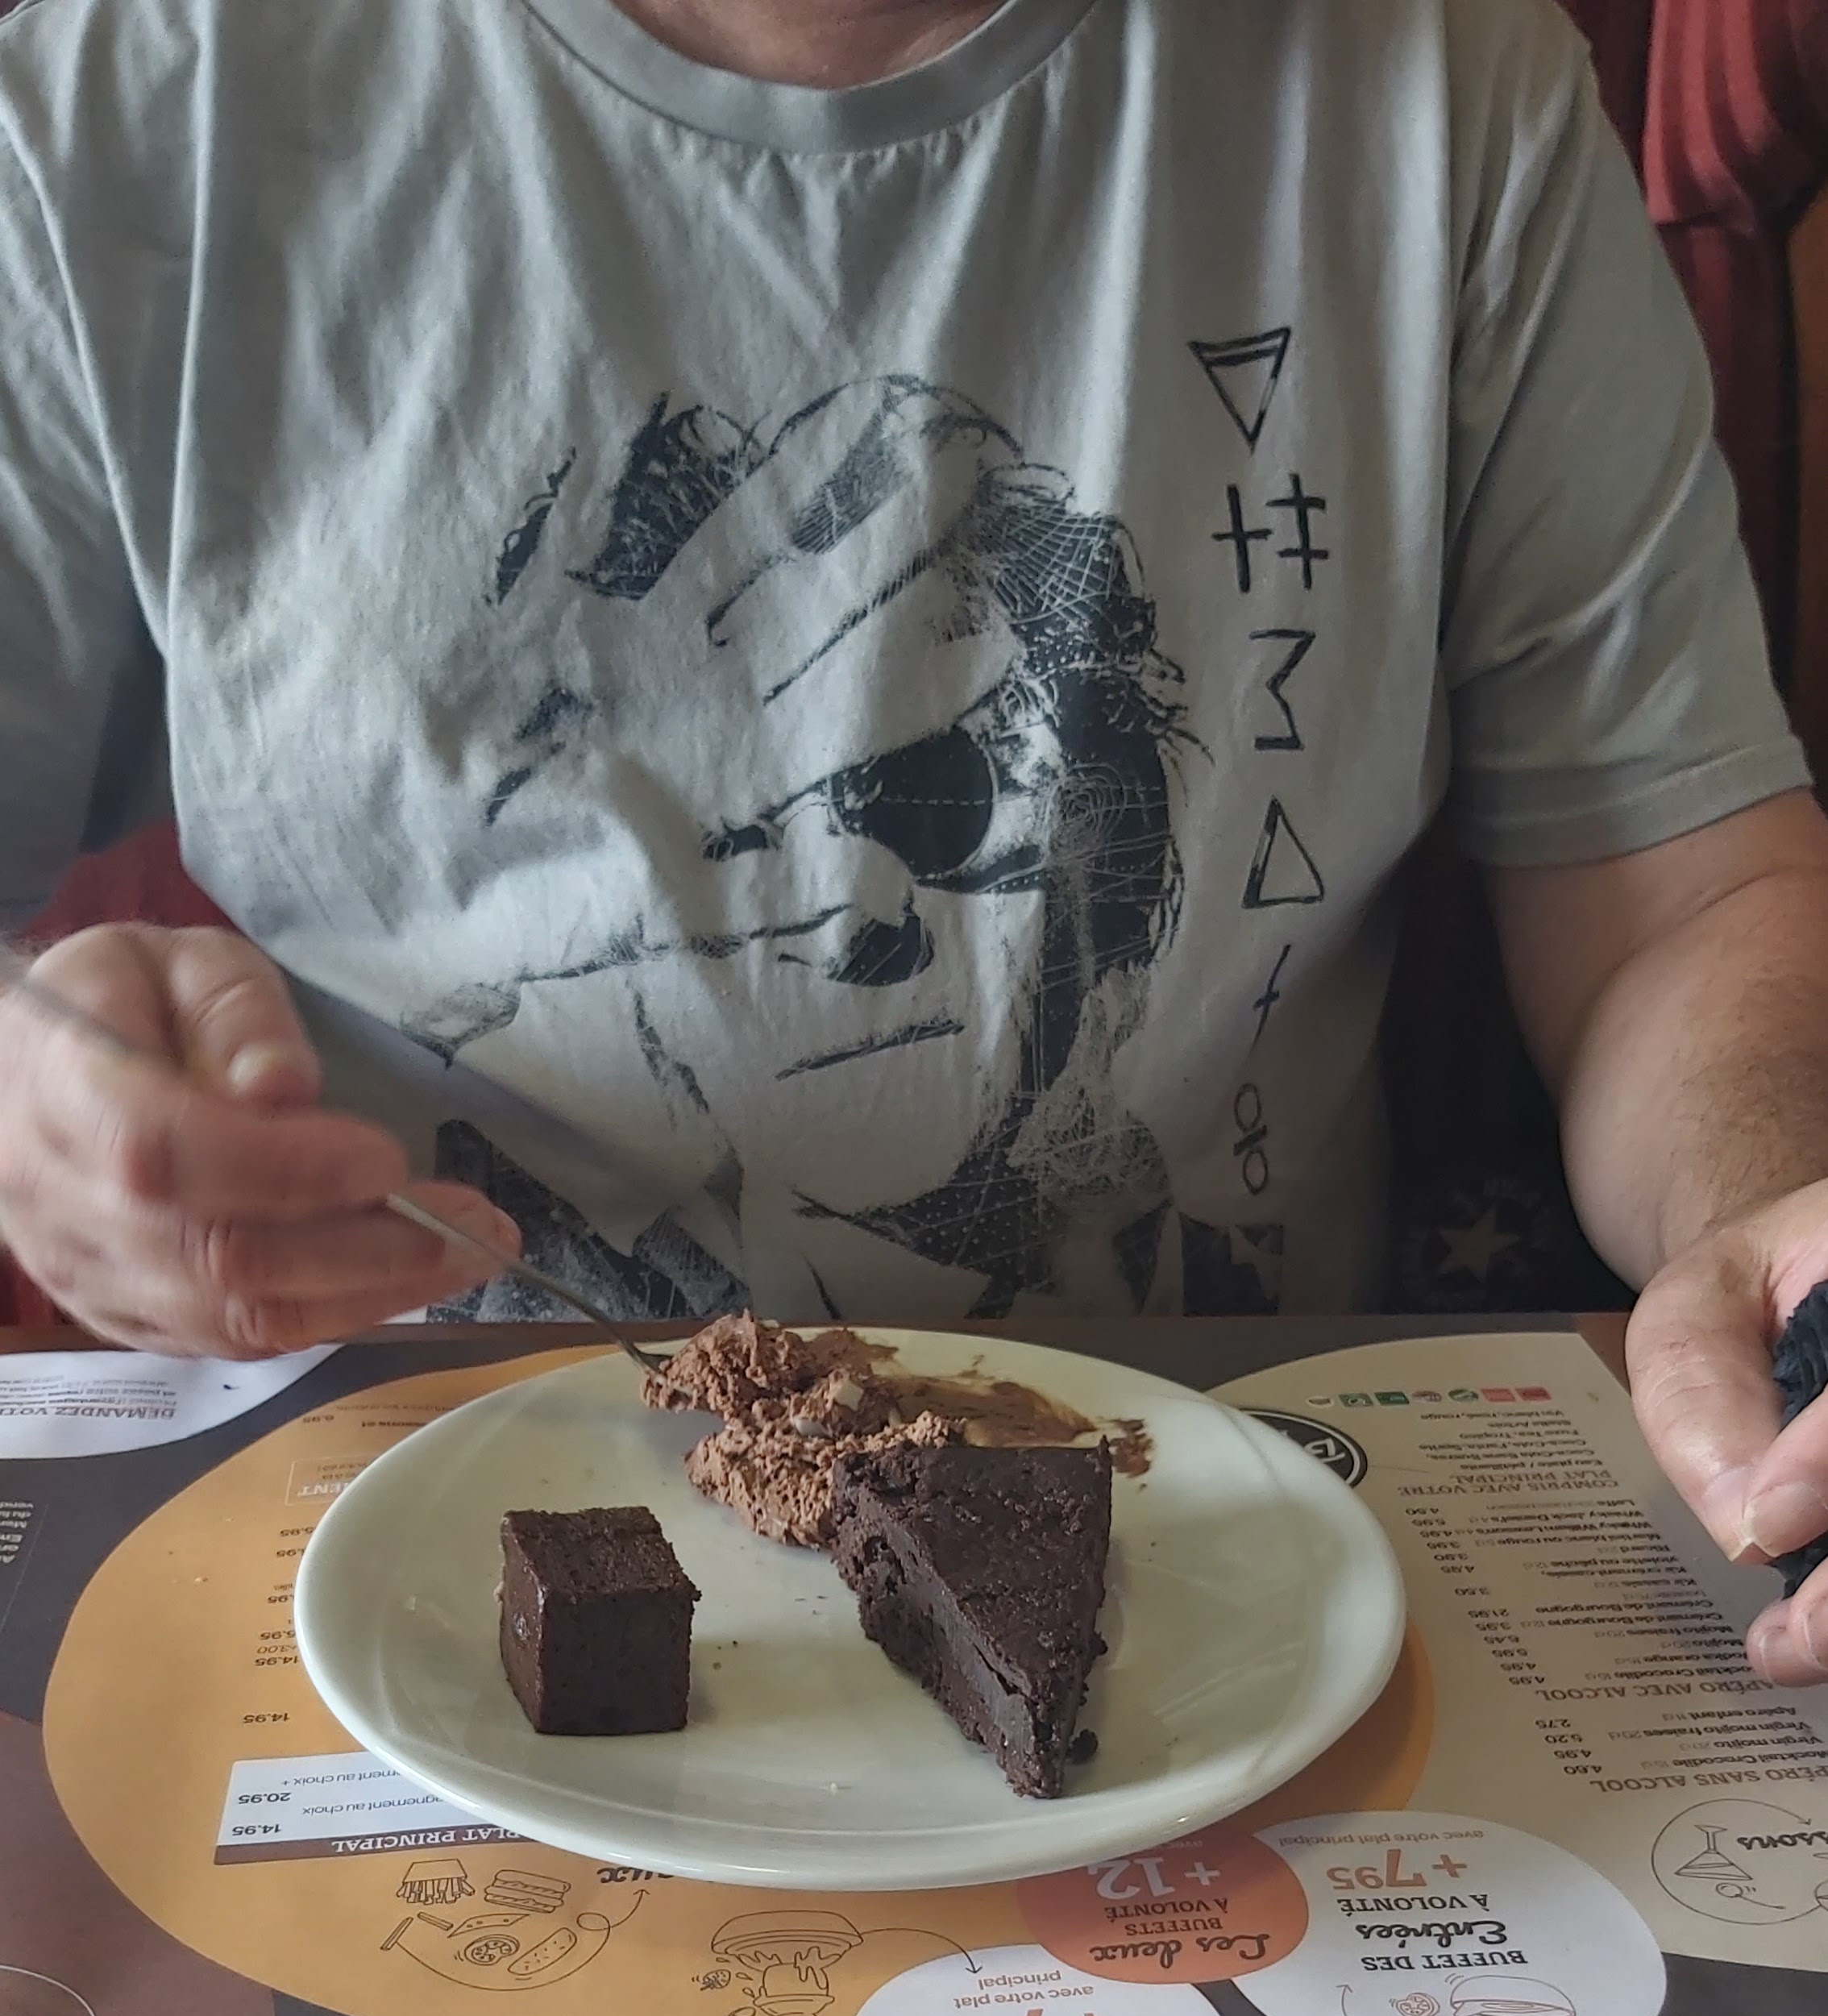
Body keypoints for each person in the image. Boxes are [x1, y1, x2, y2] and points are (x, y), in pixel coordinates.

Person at [2, 0, 1828, 1681]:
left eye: (944, 809)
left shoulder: (1436, 77)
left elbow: (1683, 891)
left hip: (1246, 1547)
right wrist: (34, 1090)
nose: (861, 909)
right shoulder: (115, 106)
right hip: (387, 1546)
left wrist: (1769, 1226)